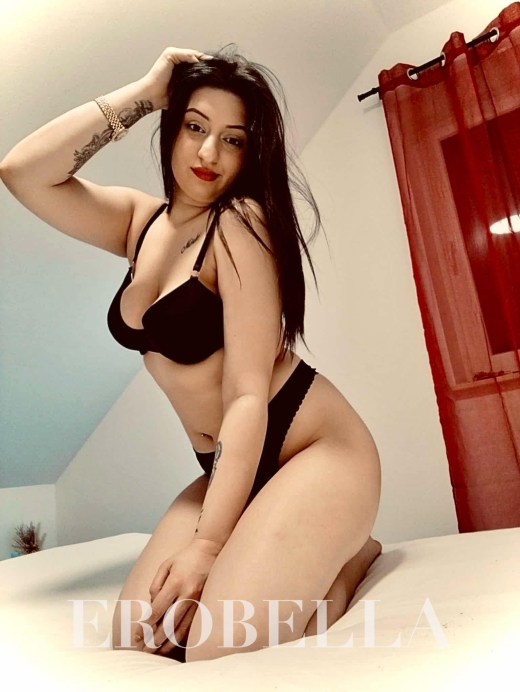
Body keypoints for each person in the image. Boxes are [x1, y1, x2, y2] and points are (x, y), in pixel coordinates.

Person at [0, 44, 383, 664]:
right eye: (195, 127)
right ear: (172, 128)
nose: (208, 155)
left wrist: (207, 546)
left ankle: (348, 560)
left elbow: (248, 395)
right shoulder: (139, 223)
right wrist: (146, 93)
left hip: (314, 451)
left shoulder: (240, 223)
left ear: (250, 154)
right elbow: (22, 172)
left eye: (233, 140)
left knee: (215, 649)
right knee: (139, 642)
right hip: (227, 467)